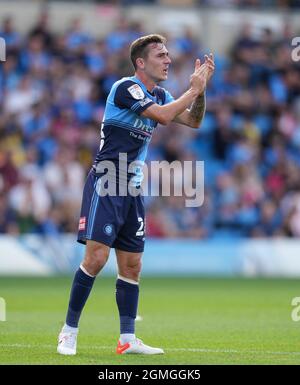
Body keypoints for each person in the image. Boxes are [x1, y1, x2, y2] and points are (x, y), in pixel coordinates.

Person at [57, 34, 215, 356]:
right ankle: (68, 331)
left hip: (132, 186)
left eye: (169, 54)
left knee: (132, 266)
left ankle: (127, 339)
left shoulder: (159, 93)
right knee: (97, 258)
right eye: (161, 55)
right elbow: (163, 116)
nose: (168, 60)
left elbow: (193, 121)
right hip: (107, 179)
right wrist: (193, 89)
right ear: (141, 62)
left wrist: (201, 93)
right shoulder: (126, 87)